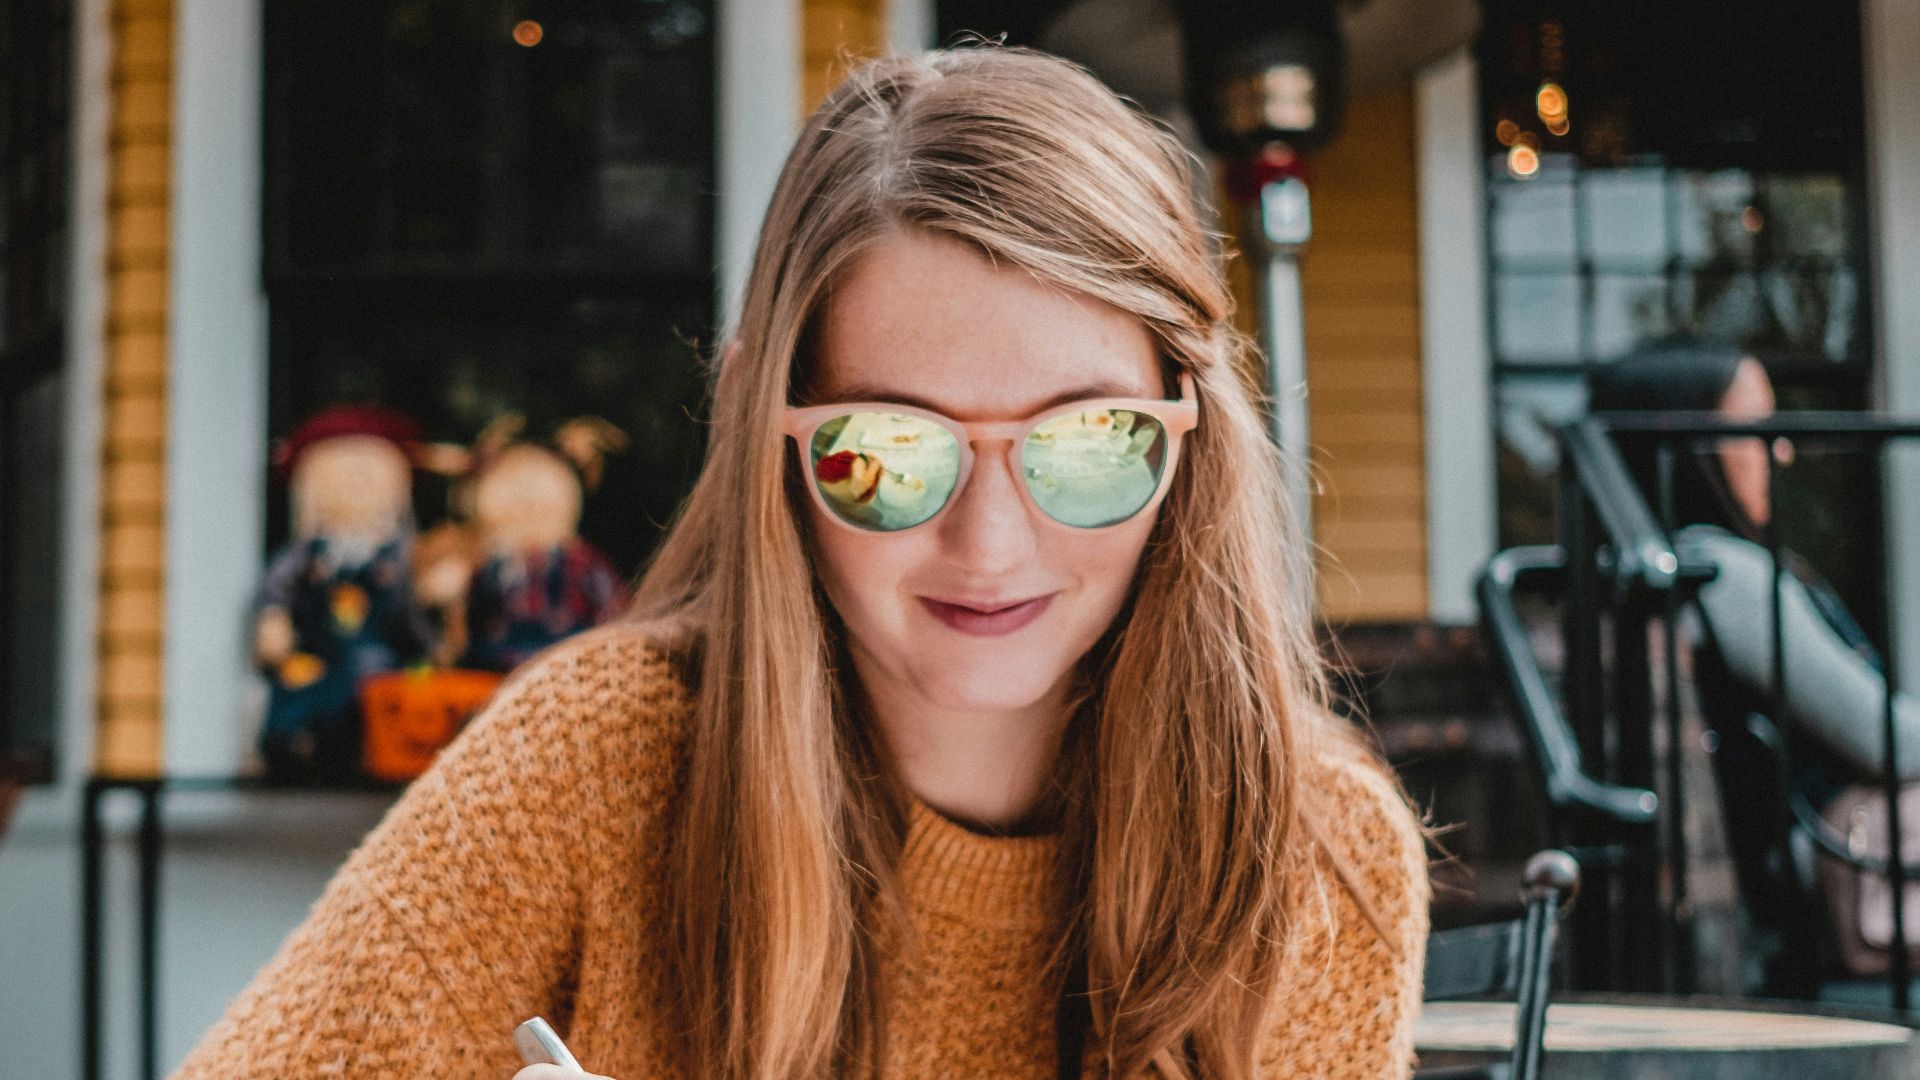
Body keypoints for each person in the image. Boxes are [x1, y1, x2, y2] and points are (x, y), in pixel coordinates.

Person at [171, 46, 1429, 1080]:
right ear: (772, 437)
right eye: (882, 452)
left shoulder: (1317, 861)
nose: (989, 544)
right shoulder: (596, 766)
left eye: (1089, 443)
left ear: (1185, 438)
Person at [1588, 341, 1920, 802]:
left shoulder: (1660, 577)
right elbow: (1891, 741)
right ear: (1694, 447)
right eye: (1757, 426)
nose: (1779, 451)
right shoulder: (1722, 574)